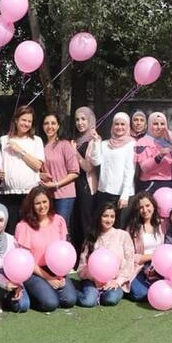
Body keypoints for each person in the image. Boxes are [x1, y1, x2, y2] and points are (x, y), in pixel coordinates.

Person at [14, 186, 77, 311]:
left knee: (69, 300)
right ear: (32, 205)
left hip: (56, 269)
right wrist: (48, 278)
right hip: (34, 271)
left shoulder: (59, 220)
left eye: (44, 202)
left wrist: (61, 275)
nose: (42, 206)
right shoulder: (23, 226)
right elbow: (27, 261)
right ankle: (33, 296)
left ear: (49, 201)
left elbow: (63, 254)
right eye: (37, 203)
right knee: (50, 303)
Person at [76, 203, 136, 307]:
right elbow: (82, 266)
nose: (109, 220)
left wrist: (118, 281)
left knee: (110, 299)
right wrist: (95, 278)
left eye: (112, 216)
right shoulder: (91, 238)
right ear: (99, 217)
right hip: (92, 280)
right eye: (105, 216)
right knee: (88, 302)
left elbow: (129, 262)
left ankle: (101, 295)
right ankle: (76, 292)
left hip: (114, 281)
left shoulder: (122, 235)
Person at [0, 107, 44, 234]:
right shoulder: (3, 140)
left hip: (29, 194)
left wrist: (20, 151)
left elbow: (37, 165)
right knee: (10, 231)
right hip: (8, 194)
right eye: (23, 120)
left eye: (29, 121)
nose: (26, 124)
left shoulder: (36, 141)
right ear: (16, 120)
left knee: (29, 230)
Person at [89, 112, 136, 226]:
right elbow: (96, 161)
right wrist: (96, 141)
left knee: (119, 226)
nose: (119, 127)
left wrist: (124, 194)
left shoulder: (131, 144)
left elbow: (130, 170)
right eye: (116, 124)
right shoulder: (105, 144)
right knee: (103, 225)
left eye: (122, 124)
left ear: (127, 126)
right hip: (104, 191)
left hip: (121, 194)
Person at [40, 113, 79, 227]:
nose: (49, 126)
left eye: (53, 123)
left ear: (58, 126)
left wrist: (56, 184)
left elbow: (74, 172)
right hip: (47, 195)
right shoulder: (40, 146)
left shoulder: (64, 145)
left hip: (64, 195)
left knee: (61, 227)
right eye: (46, 123)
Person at [126, 192, 167, 302]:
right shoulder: (132, 228)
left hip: (160, 267)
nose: (145, 210)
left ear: (153, 205)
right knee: (142, 295)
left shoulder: (163, 225)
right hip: (140, 267)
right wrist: (153, 256)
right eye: (141, 207)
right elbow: (129, 256)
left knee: (161, 293)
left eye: (147, 205)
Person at [72, 106, 99, 249]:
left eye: (83, 119)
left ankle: (87, 256)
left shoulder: (93, 139)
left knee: (86, 222)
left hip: (86, 186)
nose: (80, 122)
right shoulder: (77, 139)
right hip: (74, 185)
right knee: (75, 222)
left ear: (90, 120)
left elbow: (88, 167)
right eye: (77, 119)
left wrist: (74, 152)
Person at [135, 112, 172, 194]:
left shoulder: (170, 141)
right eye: (155, 124)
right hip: (151, 183)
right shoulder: (142, 142)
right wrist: (159, 156)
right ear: (149, 125)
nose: (159, 127)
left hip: (170, 183)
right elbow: (144, 168)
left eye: (162, 124)